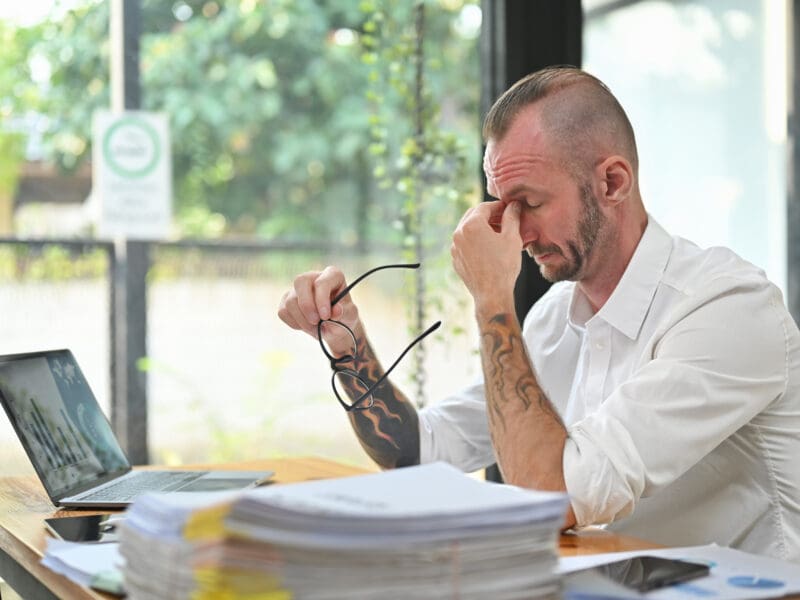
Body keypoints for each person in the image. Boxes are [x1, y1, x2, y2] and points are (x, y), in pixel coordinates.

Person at [278, 66, 800, 562]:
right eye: (502, 205)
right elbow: (419, 454)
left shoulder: (727, 309)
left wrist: (491, 298)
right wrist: (349, 347)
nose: (517, 233)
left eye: (529, 202)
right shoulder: (554, 319)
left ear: (612, 183)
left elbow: (554, 495)